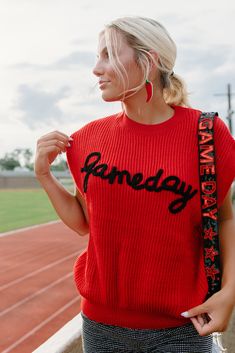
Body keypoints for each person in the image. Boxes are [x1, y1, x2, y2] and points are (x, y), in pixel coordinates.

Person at [34, 16, 235, 353]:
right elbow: (84, 223)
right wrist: (44, 176)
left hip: (182, 327)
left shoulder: (207, 135)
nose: (96, 69)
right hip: (101, 327)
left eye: (108, 55)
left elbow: (225, 217)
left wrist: (229, 292)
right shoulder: (86, 140)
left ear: (149, 61)